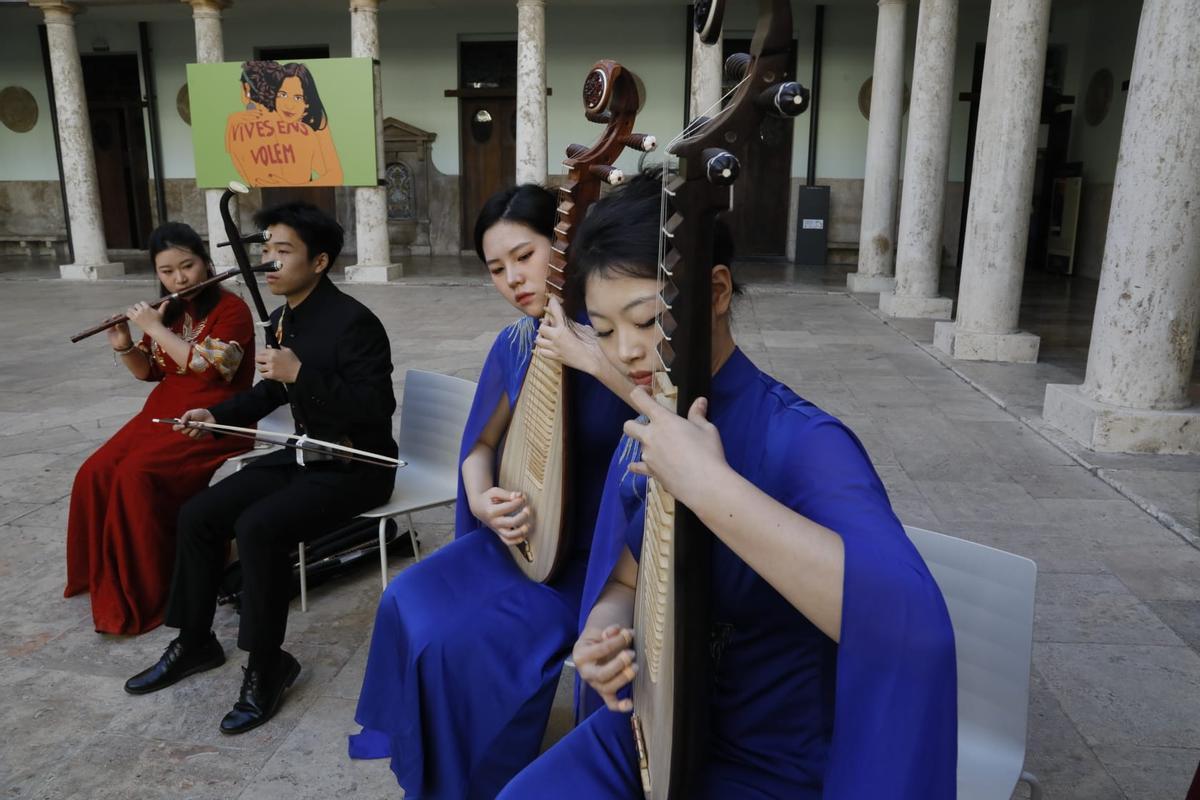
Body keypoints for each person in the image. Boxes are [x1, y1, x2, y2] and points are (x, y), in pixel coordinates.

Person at [499, 174, 958, 799]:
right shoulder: (653, 421)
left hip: (773, 765)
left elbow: (914, 627)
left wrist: (708, 485)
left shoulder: (803, 441)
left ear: (714, 291)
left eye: (646, 319)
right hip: (655, 733)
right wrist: (604, 632)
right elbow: (629, 577)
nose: (627, 351)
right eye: (604, 331)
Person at [348, 184, 636, 797]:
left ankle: (476, 775)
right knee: (408, 601)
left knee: (461, 646)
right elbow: (479, 450)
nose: (512, 279)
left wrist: (592, 359)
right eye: (496, 268)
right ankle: (436, 764)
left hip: (596, 562)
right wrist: (481, 500)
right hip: (524, 541)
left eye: (524, 257)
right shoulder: (516, 344)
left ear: (564, 248)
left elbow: (662, 421)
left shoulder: (620, 336)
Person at [123, 203, 397, 736]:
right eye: (266, 250)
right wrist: (214, 415)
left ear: (319, 262)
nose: (269, 262)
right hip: (304, 452)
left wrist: (304, 374)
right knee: (200, 513)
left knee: (258, 527)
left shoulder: (355, 322)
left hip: (354, 465)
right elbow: (269, 390)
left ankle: (268, 665)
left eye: (283, 252)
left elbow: (375, 410)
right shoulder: (285, 318)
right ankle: (196, 641)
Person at [65, 222, 254, 636]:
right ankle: (103, 572)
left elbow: (212, 366)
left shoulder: (232, 309)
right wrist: (123, 342)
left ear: (205, 261)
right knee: (95, 472)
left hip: (214, 417)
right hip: (162, 411)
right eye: (167, 271)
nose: (179, 278)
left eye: (188, 266)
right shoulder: (173, 309)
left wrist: (153, 327)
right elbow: (149, 372)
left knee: (136, 477)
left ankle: (151, 585)